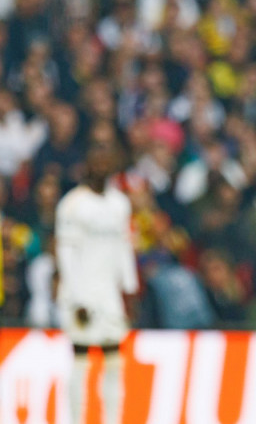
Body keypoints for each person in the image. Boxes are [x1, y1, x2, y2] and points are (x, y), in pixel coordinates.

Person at [55, 143, 139, 424]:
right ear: (87, 167)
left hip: (109, 295)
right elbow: (66, 253)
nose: (102, 168)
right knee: (81, 360)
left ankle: (112, 419)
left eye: (107, 162)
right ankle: (75, 419)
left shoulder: (120, 203)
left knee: (114, 360)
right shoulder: (72, 204)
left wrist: (129, 290)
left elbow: (124, 249)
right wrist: (76, 298)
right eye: (96, 162)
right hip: (81, 293)